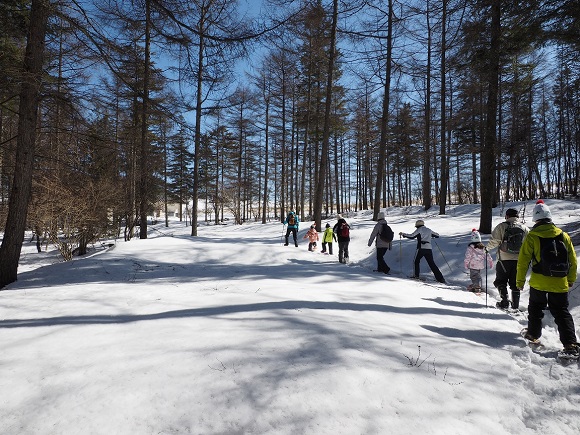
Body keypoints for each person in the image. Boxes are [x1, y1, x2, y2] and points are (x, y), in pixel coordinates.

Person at [516, 200, 579, 357]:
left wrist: (519, 281)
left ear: (536, 219)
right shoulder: (563, 235)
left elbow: (523, 262)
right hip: (560, 281)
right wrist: (570, 279)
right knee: (561, 311)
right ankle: (570, 344)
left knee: (536, 307)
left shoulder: (532, 237)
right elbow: (572, 260)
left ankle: (533, 334)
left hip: (539, 281)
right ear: (550, 217)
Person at [485, 208, 529, 309]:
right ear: (517, 216)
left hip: (503, 259)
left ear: (507, 216)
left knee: (501, 281)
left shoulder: (502, 226)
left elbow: (494, 241)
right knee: (515, 283)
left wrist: (487, 248)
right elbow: (529, 244)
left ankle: (504, 301)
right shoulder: (524, 228)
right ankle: (515, 306)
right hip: (519, 260)